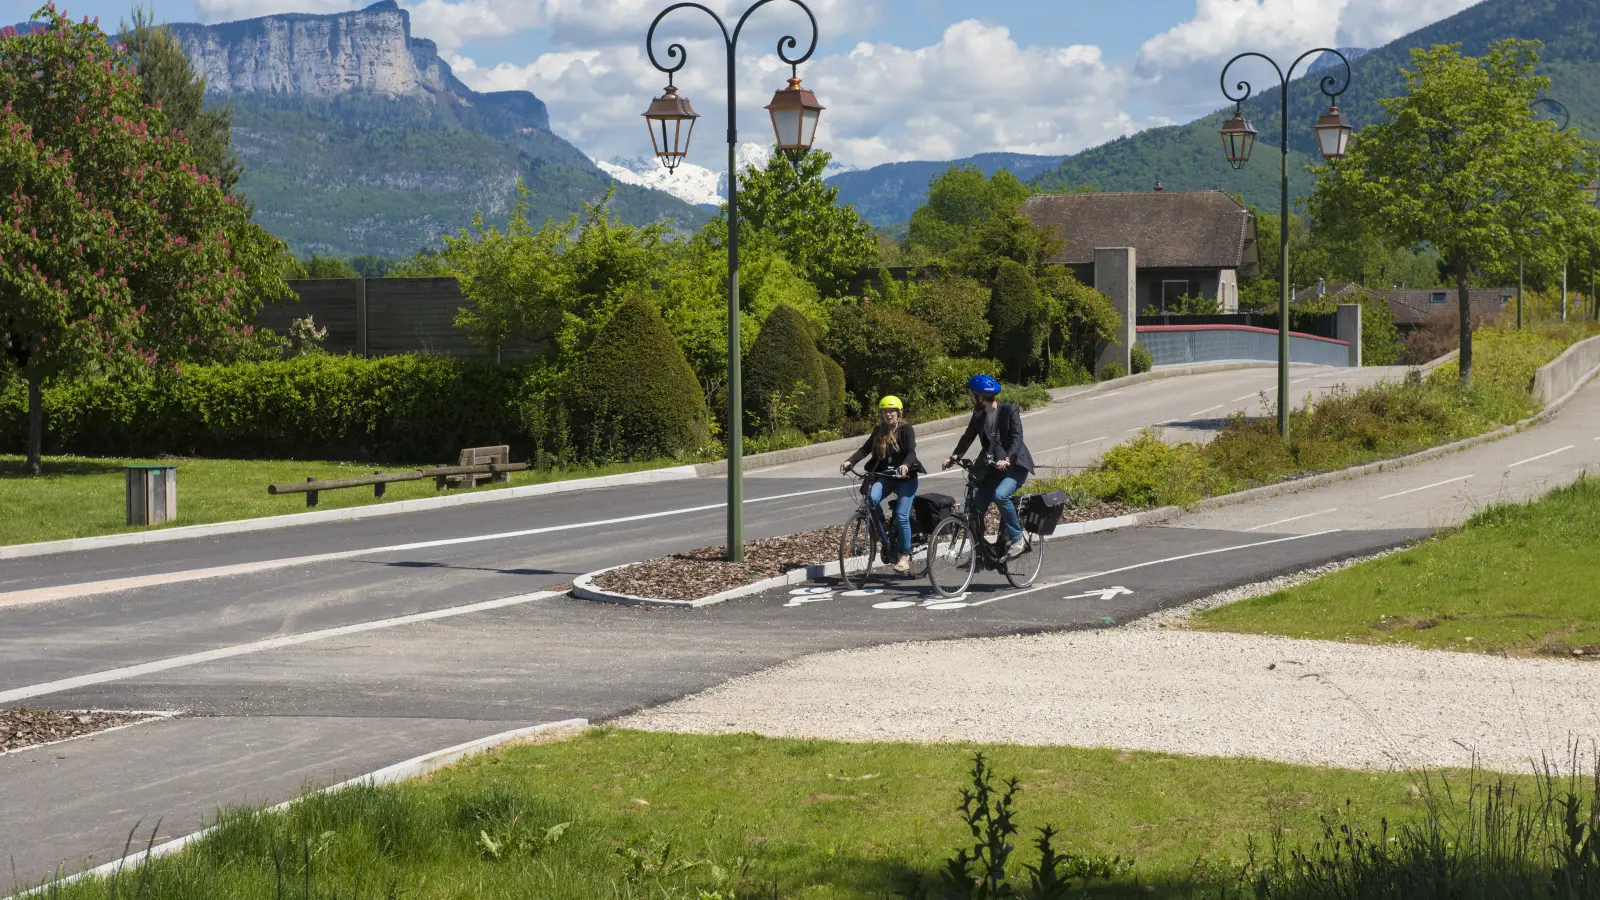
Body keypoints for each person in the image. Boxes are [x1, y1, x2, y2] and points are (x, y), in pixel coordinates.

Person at [943, 374, 1035, 558]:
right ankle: (980, 554)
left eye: (972, 395)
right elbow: (968, 437)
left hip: (1015, 467)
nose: (971, 398)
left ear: (981, 397)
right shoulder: (978, 415)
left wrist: (1008, 458)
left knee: (1000, 495)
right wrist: (955, 455)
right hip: (993, 468)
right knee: (975, 508)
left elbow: (1017, 438)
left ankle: (1018, 539)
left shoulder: (1009, 410)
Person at [841, 395, 924, 573]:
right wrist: (849, 461)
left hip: (906, 478)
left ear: (899, 412)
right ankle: (882, 529)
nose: (889, 414)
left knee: (902, 516)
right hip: (886, 476)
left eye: (892, 411)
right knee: (870, 499)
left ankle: (904, 555)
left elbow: (911, 452)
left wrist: (905, 465)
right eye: (885, 411)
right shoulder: (879, 430)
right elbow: (865, 450)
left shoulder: (906, 429)